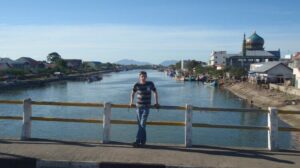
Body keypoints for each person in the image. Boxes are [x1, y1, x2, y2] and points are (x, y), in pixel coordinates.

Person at [129, 71, 159, 147]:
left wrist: (156, 102)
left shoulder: (150, 84)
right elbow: (132, 93)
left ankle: (137, 141)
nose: (143, 78)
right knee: (141, 125)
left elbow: (155, 92)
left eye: (144, 76)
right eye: (142, 76)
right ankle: (143, 142)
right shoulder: (136, 85)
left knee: (142, 124)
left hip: (146, 107)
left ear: (146, 77)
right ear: (139, 77)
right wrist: (131, 102)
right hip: (138, 107)